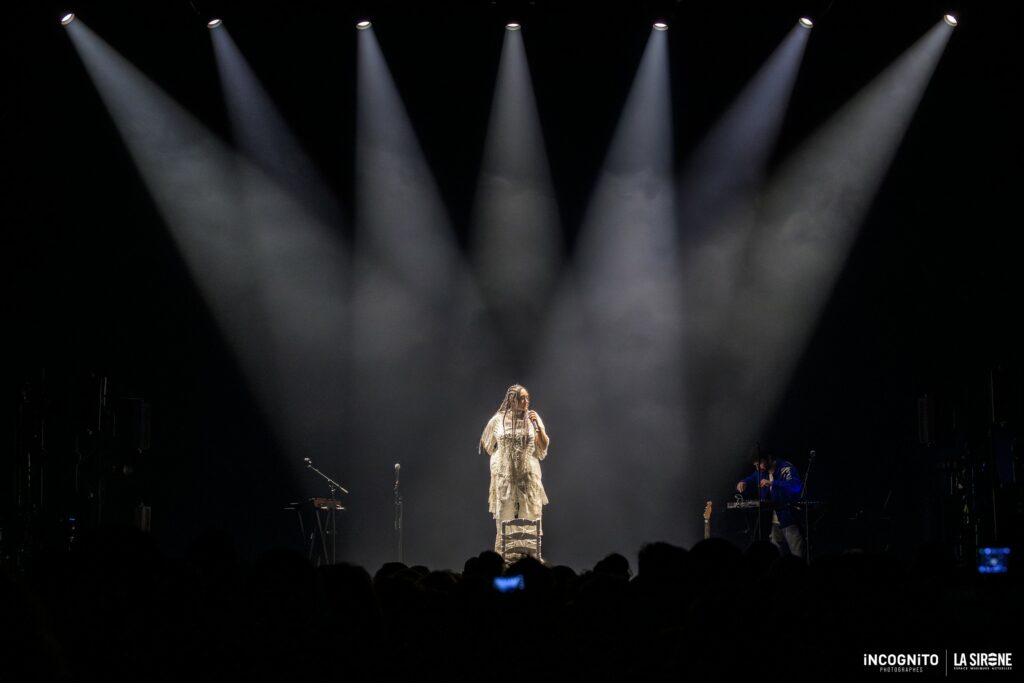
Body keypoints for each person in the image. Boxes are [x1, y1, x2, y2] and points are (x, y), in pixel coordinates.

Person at [479, 384, 550, 555]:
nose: (526, 401)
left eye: (527, 398)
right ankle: (505, 559)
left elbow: (543, 445)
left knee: (530, 518)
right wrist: (501, 459)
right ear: (512, 400)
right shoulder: (498, 420)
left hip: (528, 477)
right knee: (506, 519)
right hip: (506, 477)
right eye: (521, 398)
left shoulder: (533, 418)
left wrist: (537, 426)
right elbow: (487, 445)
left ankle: (530, 559)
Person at [736, 445, 805, 559]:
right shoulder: (761, 472)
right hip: (774, 522)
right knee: (775, 555)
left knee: (797, 554)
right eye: (755, 466)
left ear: (768, 458)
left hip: (790, 519)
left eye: (760, 464)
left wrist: (772, 483)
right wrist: (743, 482)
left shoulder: (786, 467)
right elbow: (751, 478)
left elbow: (795, 486)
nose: (758, 468)